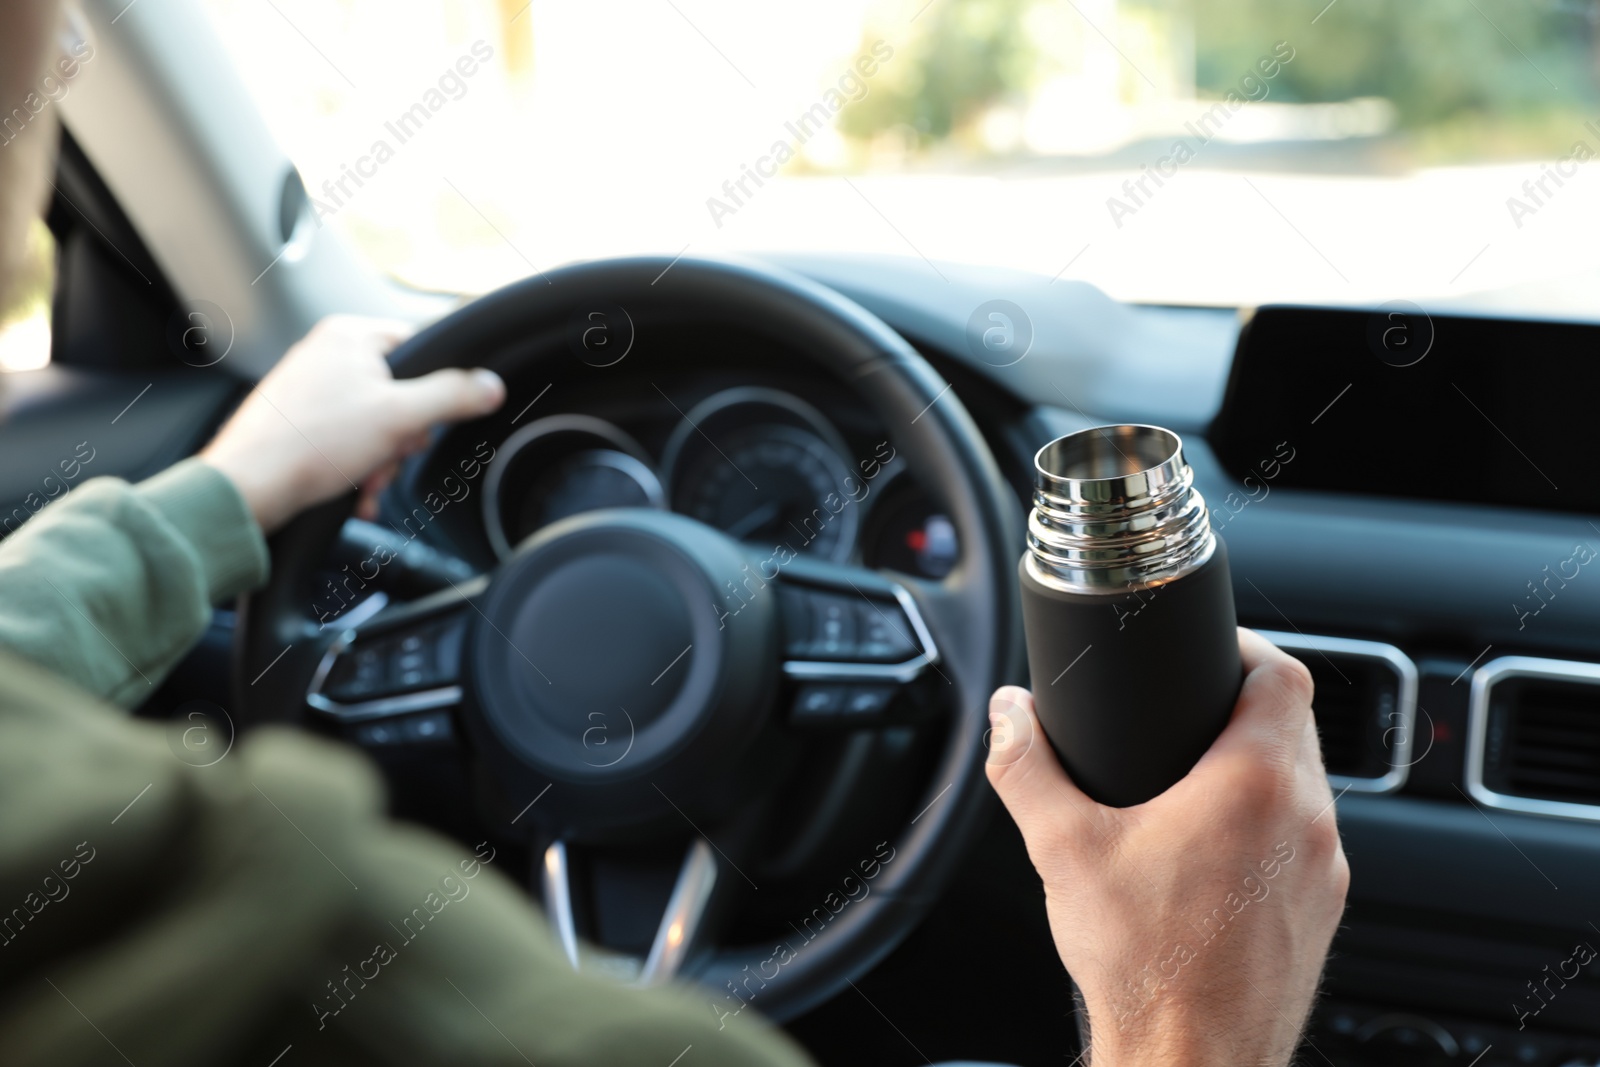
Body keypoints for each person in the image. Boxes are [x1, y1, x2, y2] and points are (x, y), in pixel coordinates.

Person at [0, 3, 1348, 1064]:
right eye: (48, 11)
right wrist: (1190, 1024)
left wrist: (228, 495)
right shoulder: (239, 936)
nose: (69, 52)